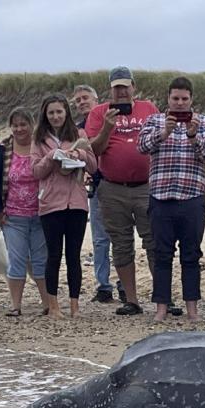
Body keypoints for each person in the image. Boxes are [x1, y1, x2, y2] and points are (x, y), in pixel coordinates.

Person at [137, 76, 205, 322]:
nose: (180, 103)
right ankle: (161, 308)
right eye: (175, 98)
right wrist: (164, 132)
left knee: (191, 255)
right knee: (162, 254)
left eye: (184, 99)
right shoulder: (154, 120)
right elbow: (141, 146)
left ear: (191, 99)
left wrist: (194, 137)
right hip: (161, 197)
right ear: (168, 99)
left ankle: (192, 308)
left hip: (192, 196)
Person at [85, 66, 162, 316]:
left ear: (133, 87)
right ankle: (132, 300)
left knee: (154, 242)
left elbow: (161, 139)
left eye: (124, 86)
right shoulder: (98, 113)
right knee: (121, 244)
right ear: (110, 89)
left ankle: (163, 298)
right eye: (116, 87)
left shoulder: (148, 108)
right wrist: (108, 127)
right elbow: (93, 150)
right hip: (112, 187)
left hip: (146, 186)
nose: (121, 92)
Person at [32, 93, 98, 318]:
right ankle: (53, 306)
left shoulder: (78, 134)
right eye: (51, 112)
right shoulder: (39, 139)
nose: (55, 116)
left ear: (66, 113)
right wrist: (52, 156)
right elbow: (36, 171)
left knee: (73, 255)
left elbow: (93, 165)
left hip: (77, 202)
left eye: (59, 111)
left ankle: (75, 305)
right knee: (53, 254)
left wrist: (78, 152)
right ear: (45, 115)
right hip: (51, 203)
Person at [0, 108, 52, 316]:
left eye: (24, 124)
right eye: (15, 125)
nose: (19, 129)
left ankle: (47, 304)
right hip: (13, 216)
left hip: (41, 214)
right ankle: (16, 306)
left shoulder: (43, 147)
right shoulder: (1, 151)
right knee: (17, 260)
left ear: (32, 125)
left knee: (41, 260)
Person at [72, 84, 120, 303]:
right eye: (77, 100)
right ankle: (104, 285)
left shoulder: (110, 120)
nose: (81, 102)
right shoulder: (75, 129)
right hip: (94, 187)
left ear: (96, 99)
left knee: (121, 237)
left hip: (117, 183)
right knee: (100, 239)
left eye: (85, 98)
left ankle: (123, 284)